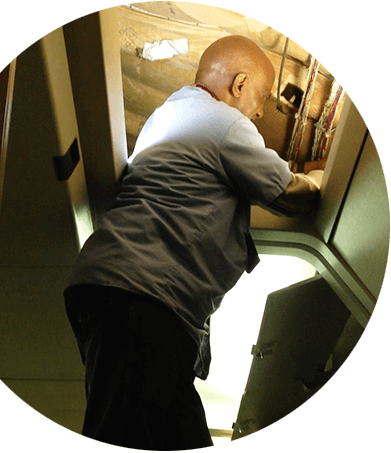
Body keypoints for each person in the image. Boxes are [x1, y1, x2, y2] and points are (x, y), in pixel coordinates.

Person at [64, 35, 325, 450]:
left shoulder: (167, 114)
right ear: (239, 85)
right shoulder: (222, 120)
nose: (258, 113)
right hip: (142, 298)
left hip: (136, 302)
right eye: (260, 98)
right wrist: (323, 179)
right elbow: (288, 194)